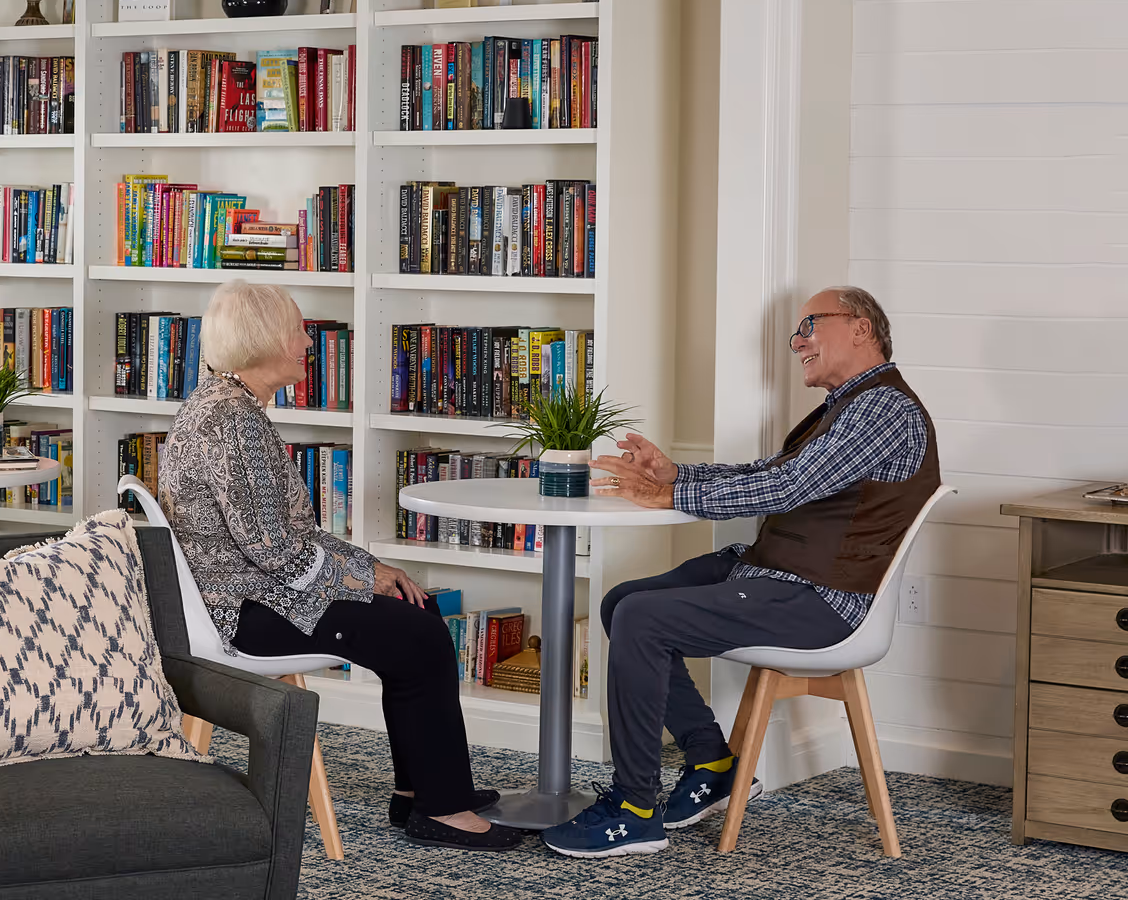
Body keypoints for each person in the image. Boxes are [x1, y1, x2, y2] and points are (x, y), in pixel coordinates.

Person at [540, 286, 939, 858]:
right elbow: (771, 471)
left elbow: (785, 487)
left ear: (860, 328)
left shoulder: (883, 410)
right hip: (778, 575)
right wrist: (679, 473)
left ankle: (634, 810)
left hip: (824, 600)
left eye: (809, 324)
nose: (796, 340)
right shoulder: (849, 407)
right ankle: (713, 762)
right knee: (622, 601)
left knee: (643, 619)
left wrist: (670, 493)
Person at [157, 280, 521, 852]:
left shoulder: (221, 404)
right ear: (265, 339)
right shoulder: (232, 421)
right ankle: (440, 807)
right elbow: (275, 550)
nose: (307, 340)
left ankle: (421, 790)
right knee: (421, 633)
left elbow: (286, 539)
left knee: (413, 617)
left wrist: (370, 568)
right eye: (298, 329)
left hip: (248, 593)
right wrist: (360, 578)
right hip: (246, 609)